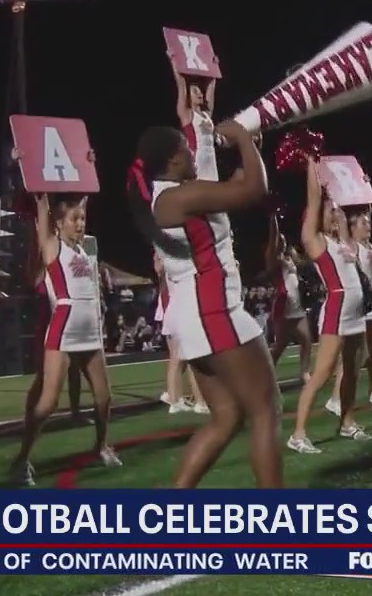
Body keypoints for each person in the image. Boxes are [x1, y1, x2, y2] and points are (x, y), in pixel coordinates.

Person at [126, 121, 281, 487]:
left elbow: (241, 182)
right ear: (173, 161)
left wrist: (248, 146)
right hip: (213, 310)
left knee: (226, 416)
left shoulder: (171, 194)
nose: (192, 152)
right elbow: (253, 189)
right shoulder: (177, 197)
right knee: (266, 410)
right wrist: (242, 137)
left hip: (195, 310)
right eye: (186, 148)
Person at [12, 195, 120, 486]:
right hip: (65, 327)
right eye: (75, 219)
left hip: (91, 331)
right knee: (47, 403)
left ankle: (100, 446)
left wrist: (86, 181)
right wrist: (41, 197)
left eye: (82, 219)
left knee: (104, 397)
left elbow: (83, 203)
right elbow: (43, 219)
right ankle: (23, 459)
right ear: (58, 225)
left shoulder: (83, 251)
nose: (81, 223)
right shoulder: (53, 247)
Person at [287, 170, 372, 455]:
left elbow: (348, 210)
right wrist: (311, 165)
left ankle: (347, 422)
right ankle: (298, 434)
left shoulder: (340, 242)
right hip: (337, 310)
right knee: (322, 374)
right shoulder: (315, 241)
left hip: (356, 312)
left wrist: (359, 186)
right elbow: (313, 201)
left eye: (336, 211)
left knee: (351, 371)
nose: (336, 215)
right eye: (331, 211)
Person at [327, 209, 372, 414]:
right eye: (364, 223)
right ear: (352, 228)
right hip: (358, 306)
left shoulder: (370, 247)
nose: (369, 226)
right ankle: (336, 398)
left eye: (369, 223)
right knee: (352, 357)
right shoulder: (350, 246)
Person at [156, 252, 207, 414]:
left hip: (173, 308)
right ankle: (200, 402)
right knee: (192, 357)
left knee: (176, 359)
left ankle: (174, 399)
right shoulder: (182, 263)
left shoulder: (167, 260)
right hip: (183, 308)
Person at [265, 218, 312, 381]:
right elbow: (272, 239)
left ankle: (304, 373)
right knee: (280, 346)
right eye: (280, 240)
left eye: (284, 240)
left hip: (296, 304)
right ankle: (266, 375)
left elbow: (305, 262)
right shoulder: (272, 258)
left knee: (306, 339)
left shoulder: (289, 257)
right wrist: (274, 221)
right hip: (283, 305)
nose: (282, 243)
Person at [171, 57, 219, 182]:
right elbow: (181, 84)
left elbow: (212, 86)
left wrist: (213, 66)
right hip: (197, 158)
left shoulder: (206, 113)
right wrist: (173, 61)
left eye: (200, 91)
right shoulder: (187, 114)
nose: (200, 93)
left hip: (211, 159)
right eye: (195, 91)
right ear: (189, 96)